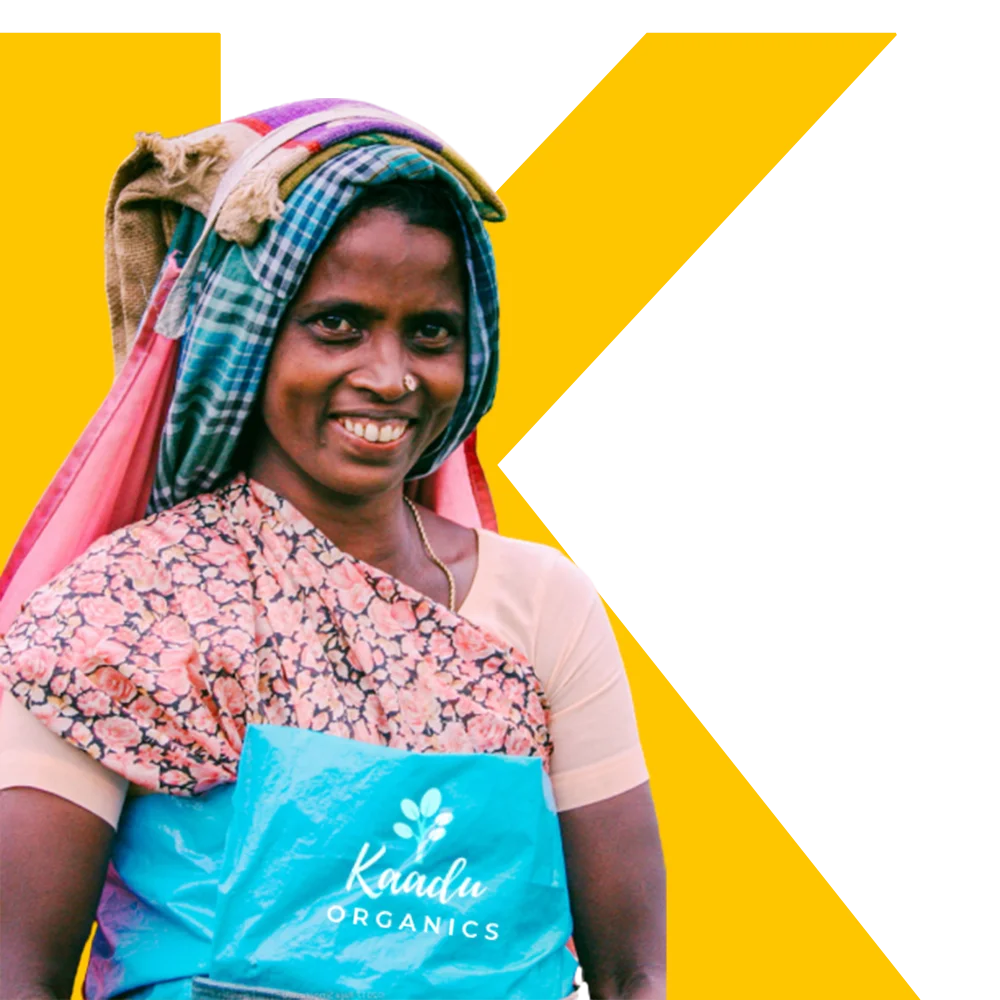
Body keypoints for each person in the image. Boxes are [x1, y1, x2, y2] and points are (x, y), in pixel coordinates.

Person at [0, 99, 666, 1000]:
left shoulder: (542, 605)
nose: (390, 376)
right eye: (338, 325)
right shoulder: (124, 608)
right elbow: (16, 972)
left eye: (430, 332)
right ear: (250, 335)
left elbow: (633, 975)